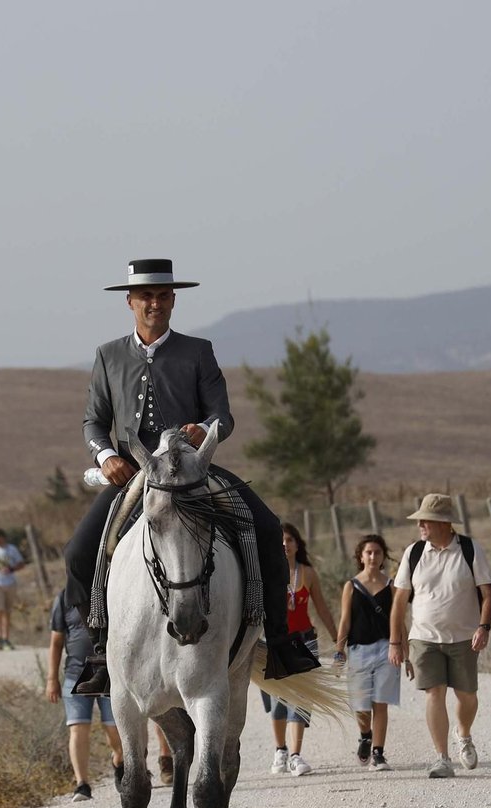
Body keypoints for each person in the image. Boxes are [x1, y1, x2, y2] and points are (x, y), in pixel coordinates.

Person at [62, 259, 321, 695]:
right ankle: (100, 650)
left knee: (266, 527)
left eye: (163, 296)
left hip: (193, 470)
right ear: (130, 302)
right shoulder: (108, 355)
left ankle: (280, 641)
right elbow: (93, 422)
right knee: (77, 553)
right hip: (136, 475)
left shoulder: (198, 351)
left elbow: (224, 415)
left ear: (173, 301)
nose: (154, 303)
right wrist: (107, 456)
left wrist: (207, 429)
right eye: (145, 296)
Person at [389, 494, 491, 779]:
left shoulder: (471, 550)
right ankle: (442, 758)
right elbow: (399, 602)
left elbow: (488, 595)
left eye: (427, 520)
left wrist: (484, 627)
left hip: (464, 637)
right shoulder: (413, 553)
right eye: (420, 520)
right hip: (423, 638)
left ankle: (463, 734)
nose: (421, 524)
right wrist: (395, 642)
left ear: (445, 523)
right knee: (434, 693)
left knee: (467, 696)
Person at [263, 523, 337, 777]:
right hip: (277, 642)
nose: (286, 544)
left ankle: (295, 755)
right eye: (281, 540)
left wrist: (339, 641)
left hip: (305, 642)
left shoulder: (308, 573)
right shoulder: (268, 573)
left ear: (298, 544)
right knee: (279, 698)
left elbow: (323, 609)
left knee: (302, 698)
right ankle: (280, 750)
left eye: (291, 539)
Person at [46, 588, 121, 802]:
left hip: (107, 671)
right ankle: (82, 784)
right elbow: (56, 641)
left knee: (114, 728)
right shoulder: (63, 598)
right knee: (78, 728)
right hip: (74, 672)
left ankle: (119, 760)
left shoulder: (108, 589)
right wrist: (52, 678)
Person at [335, 534, 400, 772]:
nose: (373, 557)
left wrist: (404, 648)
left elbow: (398, 619)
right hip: (358, 650)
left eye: (377, 553)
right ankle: (365, 735)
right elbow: (345, 621)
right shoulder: (351, 586)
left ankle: (379, 753)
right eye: (368, 552)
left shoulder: (392, 585)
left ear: (383, 556)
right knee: (361, 705)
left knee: (380, 703)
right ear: (361, 556)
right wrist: (339, 651)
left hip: (386, 649)